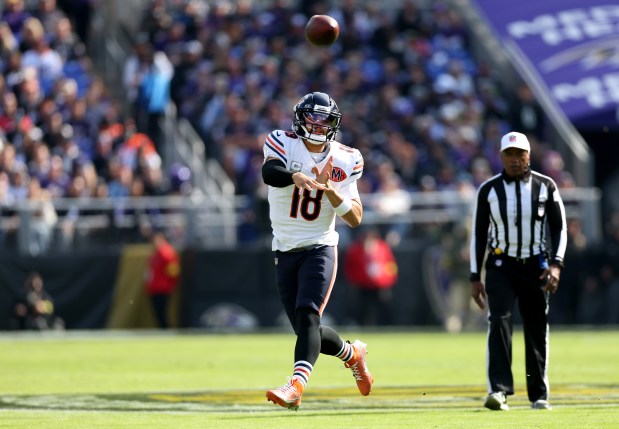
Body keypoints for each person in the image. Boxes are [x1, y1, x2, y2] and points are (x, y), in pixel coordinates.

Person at [262, 92, 373, 410]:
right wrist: (295, 176)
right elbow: (268, 173)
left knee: (309, 316)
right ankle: (353, 354)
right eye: (312, 117)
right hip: (284, 249)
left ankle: (295, 386)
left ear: (334, 124)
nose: (318, 124)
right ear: (299, 118)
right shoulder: (282, 141)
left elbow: (355, 218)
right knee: (307, 330)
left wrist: (333, 193)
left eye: (324, 118)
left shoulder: (346, 158)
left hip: (321, 247)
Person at [469, 131, 567, 411]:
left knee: (536, 328)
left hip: (536, 265)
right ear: (501, 157)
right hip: (501, 265)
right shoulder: (488, 190)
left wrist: (557, 265)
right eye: (509, 155)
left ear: (529, 156)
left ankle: (538, 393)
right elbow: (478, 234)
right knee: (498, 322)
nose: (514, 160)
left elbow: (559, 228)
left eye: (519, 154)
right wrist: (475, 276)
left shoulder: (546, 186)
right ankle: (498, 390)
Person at [343, 228, 398, 326]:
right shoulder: (355, 250)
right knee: (362, 308)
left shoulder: (383, 248)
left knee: (384, 307)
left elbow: (391, 265)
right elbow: (350, 268)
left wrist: (388, 280)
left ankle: (388, 327)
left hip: (380, 285)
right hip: (362, 286)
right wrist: (357, 280)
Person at [145, 230, 180, 328]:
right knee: (157, 312)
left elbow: (173, 271)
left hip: (163, 288)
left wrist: (171, 285)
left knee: (162, 311)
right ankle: (163, 330)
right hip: (154, 288)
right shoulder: (155, 253)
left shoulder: (166, 252)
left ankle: (166, 330)